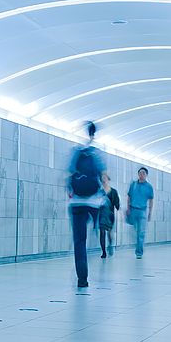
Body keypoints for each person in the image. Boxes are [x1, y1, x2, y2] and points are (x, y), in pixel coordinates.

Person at [68, 122, 107, 287]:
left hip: (76, 202)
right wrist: (105, 193)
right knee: (96, 231)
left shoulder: (76, 151)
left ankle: (82, 278)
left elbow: (69, 174)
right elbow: (104, 177)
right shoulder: (97, 153)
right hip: (94, 202)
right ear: (95, 133)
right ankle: (97, 244)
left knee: (79, 241)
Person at [126, 167, 154, 258]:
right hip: (133, 210)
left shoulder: (149, 187)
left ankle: (139, 252)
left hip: (142, 211)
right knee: (135, 232)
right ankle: (138, 245)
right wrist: (128, 208)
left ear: (146, 175)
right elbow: (129, 197)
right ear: (138, 174)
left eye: (143, 173)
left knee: (141, 232)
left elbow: (151, 200)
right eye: (140, 173)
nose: (141, 175)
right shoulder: (133, 185)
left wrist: (150, 212)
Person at [99, 174, 121, 258]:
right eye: (102, 179)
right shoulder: (100, 192)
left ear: (108, 180)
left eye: (105, 178)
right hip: (101, 215)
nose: (104, 180)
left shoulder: (114, 191)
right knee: (102, 232)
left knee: (109, 233)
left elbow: (117, 204)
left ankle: (110, 245)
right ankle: (103, 251)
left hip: (110, 215)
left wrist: (119, 209)